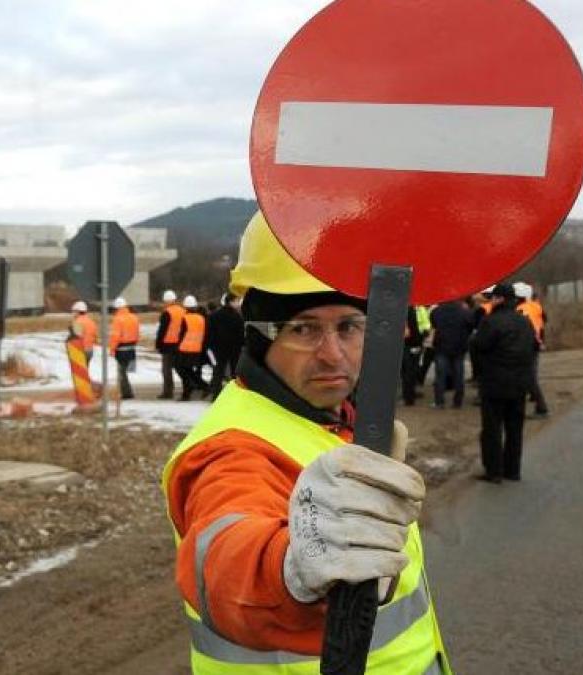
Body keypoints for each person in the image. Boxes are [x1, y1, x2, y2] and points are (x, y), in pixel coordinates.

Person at [161, 212, 450, 674]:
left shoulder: (333, 419)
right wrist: (293, 571)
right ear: (259, 337)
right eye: (303, 329)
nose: (333, 356)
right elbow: (229, 557)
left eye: (349, 327)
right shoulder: (231, 447)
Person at [471, 283, 537, 483]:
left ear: (499, 299)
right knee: (515, 428)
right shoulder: (524, 322)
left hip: (495, 383)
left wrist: (480, 373)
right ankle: (513, 470)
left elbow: (478, 346)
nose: (491, 301)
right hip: (520, 383)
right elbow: (533, 347)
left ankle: (494, 471)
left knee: (492, 429)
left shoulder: (491, 322)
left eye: (493, 297)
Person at [429, 298, 474, 408]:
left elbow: (434, 325)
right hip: (459, 347)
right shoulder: (465, 312)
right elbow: (470, 326)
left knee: (440, 376)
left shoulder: (436, 311)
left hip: (442, 346)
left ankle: (439, 401)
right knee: (459, 375)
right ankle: (457, 401)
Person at [515, 283, 550, 418]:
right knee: (531, 373)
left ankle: (541, 407)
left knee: (528, 376)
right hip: (536, 342)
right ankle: (533, 398)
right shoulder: (536, 306)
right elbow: (544, 320)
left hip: (526, 344)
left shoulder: (520, 309)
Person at [205, 292, 244, 398]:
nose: (238, 303)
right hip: (234, 349)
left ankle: (216, 395)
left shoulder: (214, 315)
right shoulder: (237, 316)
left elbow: (209, 333)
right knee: (234, 373)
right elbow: (241, 335)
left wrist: (210, 346)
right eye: (236, 301)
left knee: (218, 372)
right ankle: (234, 395)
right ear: (231, 301)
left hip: (218, 349)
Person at [175, 295, 210, 401]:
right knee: (189, 370)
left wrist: (177, 346)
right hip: (197, 349)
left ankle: (191, 390)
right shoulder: (201, 318)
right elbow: (205, 334)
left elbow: (182, 334)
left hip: (185, 348)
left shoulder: (185, 318)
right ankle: (202, 387)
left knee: (182, 370)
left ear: (185, 307)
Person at [155, 290, 186, 399]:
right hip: (180, 344)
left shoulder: (167, 313)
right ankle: (187, 388)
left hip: (168, 345)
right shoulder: (183, 311)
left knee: (166, 369)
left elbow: (162, 330)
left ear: (166, 301)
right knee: (181, 368)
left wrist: (158, 344)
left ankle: (168, 391)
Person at [109, 297, 140, 400]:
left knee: (121, 372)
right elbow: (137, 333)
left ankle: (127, 393)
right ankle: (127, 392)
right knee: (125, 371)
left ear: (116, 308)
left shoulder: (117, 319)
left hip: (121, 348)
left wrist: (112, 349)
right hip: (131, 347)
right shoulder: (134, 317)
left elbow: (115, 336)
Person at [400, 306, 424, 406]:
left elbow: (407, 333)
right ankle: (411, 396)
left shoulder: (406, 311)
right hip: (417, 344)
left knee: (407, 373)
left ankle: (408, 398)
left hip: (408, 345)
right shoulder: (419, 310)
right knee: (412, 372)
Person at [69, 301, 98, 366]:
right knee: (85, 369)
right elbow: (95, 337)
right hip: (90, 350)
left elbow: (76, 339)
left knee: (79, 371)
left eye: (74, 311)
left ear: (78, 311)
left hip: (80, 350)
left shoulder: (77, 322)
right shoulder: (91, 322)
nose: (73, 313)